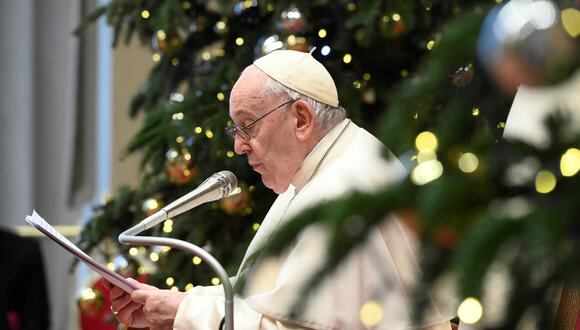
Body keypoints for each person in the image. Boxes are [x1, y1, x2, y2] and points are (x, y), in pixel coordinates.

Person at [110, 50, 455, 329]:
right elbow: (269, 299)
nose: (238, 147)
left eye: (248, 126)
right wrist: (177, 306)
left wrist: (183, 313)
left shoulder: (342, 189)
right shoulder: (329, 166)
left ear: (302, 119)